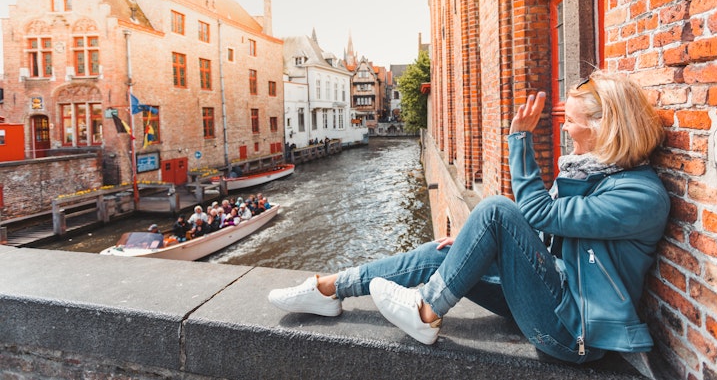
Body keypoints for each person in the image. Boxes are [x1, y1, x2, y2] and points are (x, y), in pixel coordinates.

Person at [267, 71, 670, 362]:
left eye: (572, 118)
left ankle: (426, 309)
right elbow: (540, 228)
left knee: (496, 208)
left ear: (605, 127)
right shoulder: (590, 172)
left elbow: (537, 213)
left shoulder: (639, 195)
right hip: (553, 292)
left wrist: (519, 141)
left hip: (575, 333)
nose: (564, 125)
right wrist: (473, 243)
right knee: (444, 249)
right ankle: (329, 289)